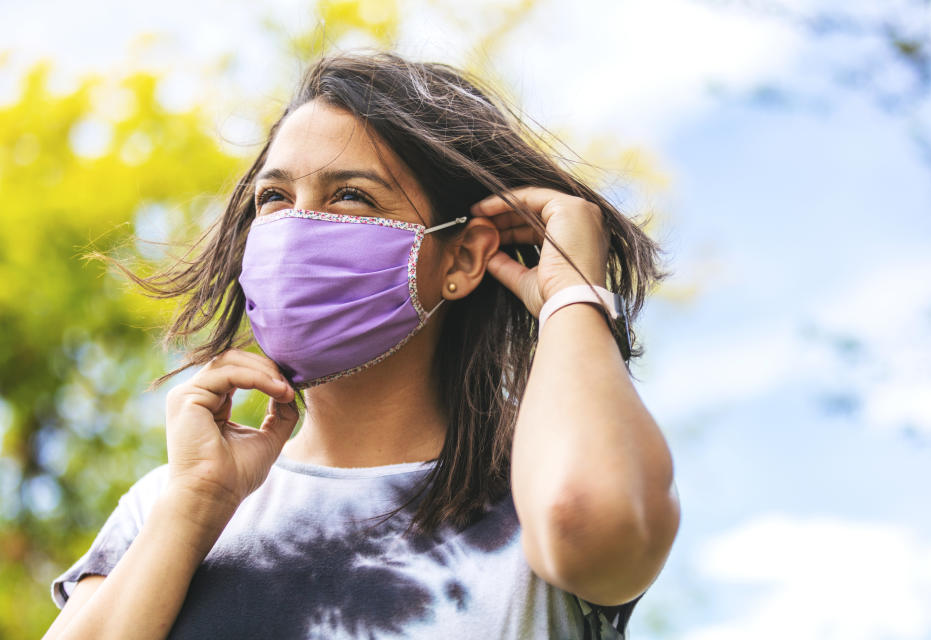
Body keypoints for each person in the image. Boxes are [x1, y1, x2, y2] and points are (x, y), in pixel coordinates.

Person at [43, 51, 680, 639]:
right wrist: (195, 506)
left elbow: (586, 514)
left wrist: (571, 296)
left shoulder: (532, 498)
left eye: (350, 196)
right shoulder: (169, 501)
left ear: (459, 257)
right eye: (274, 197)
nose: (295, 228)